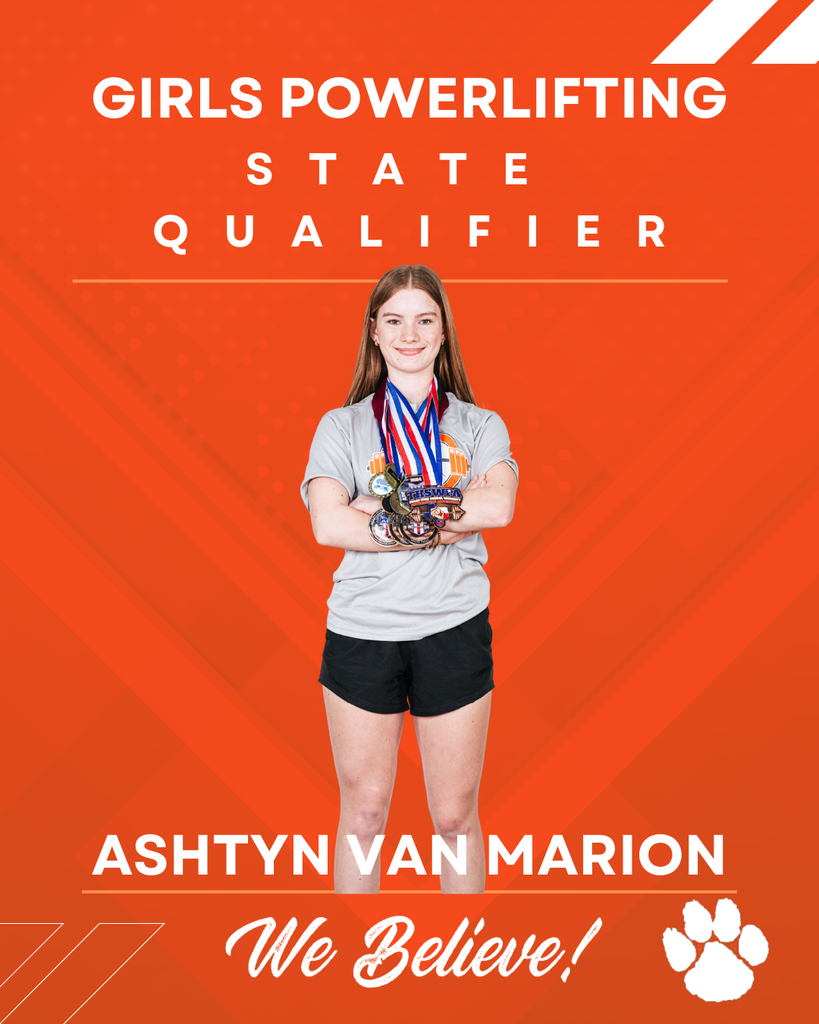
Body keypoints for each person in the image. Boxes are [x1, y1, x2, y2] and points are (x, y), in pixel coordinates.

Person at [301, 265, 518, 894]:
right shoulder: (339, 428)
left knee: (454, 819)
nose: (410, 334)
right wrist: (450, 508)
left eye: (425, 320)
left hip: (453, 627)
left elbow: (498, 509)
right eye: (394, 321)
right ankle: (354, 969)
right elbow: (326, 524)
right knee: (364, 818)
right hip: (362, 631)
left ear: (443, 332)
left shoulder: (479, 426)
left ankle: (465, 973)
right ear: (374, 332)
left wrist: (382, 508)